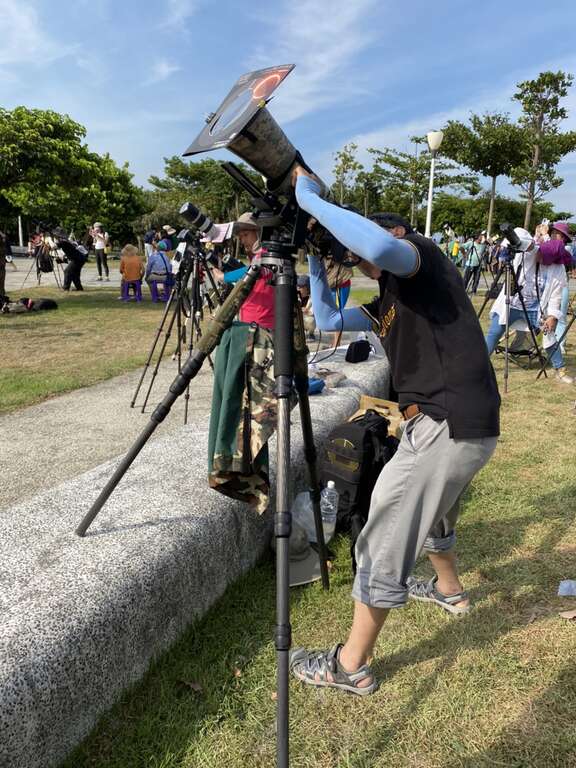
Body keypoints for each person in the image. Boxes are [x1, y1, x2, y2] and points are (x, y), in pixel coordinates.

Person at [288, 166, 500, 695]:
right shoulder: (390, 297)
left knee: (385, 530)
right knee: (436, 511)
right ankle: (449, 590)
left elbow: (383, 248)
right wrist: (317, 257)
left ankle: (350, 664)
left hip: (445, 423)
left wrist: (310, 202)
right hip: (462, 424)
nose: (358, 261)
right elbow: (324, 313)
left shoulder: (419, 255)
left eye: (355, 250)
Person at [485, 227, 573, 384]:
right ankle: (479, 365)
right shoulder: (530, 252)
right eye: (541, 253)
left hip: (535, 310)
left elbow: (556, 295)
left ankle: (560, 369)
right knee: (494, 333)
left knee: (549, 335)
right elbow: (519, 236)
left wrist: (552, 316)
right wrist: (533, 240)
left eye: (545, 257)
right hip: (512, 304)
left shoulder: (557, 268)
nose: (540, 258)